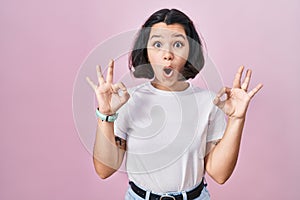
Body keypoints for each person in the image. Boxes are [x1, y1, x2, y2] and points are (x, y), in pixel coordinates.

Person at [86, 8, 263, 200]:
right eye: (158, 44)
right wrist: (105, 114)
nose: (167, 54)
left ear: (190, 51)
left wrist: (237, 118)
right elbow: (104, 170)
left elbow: (220, 175)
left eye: (178, 44)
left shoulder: (210, 103)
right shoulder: (127, 100)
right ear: (145, 50)